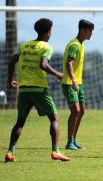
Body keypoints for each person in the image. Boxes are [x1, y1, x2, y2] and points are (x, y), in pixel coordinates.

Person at [5, 18, 70, 162]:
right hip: (39, 89)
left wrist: (9, 80)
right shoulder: (46, 47)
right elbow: (43, 65)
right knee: (54, 118)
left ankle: (10, 151)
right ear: (49, 32)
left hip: (23, 90)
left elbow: (11, 61)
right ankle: (56, 151)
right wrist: (58, 74)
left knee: (20, 122)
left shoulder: (24, 46)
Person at [62, 19, 94, 150]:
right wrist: (74, 80)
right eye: (90, 31)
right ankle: (69, 142)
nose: (91, 34)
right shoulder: (75, 45)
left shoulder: (80, 44)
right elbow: (68, 63)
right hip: (70, 83)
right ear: (83, 30)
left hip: (78, 83)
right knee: (76, 110)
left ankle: (73, 140)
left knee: (81, 112)